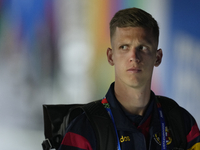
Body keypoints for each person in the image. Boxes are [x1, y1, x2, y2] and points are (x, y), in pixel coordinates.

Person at [58, 7, 200, 150]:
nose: (133, 57)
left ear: (158, 58)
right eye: (124, 47)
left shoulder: (181, 122)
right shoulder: (85, 128)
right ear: (110, 56)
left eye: (143, 47)